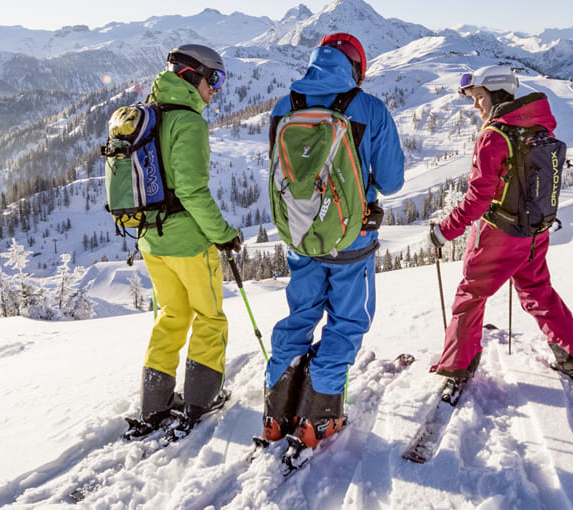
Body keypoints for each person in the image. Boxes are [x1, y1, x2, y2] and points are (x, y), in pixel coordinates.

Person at [262, 33, 405, 449]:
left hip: (301, 236)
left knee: (299, 315)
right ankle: (318, 420)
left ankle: (275, 413)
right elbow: (393, 180)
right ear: (356, 68)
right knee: (347, 322)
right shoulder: (369, 109)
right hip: (350, 238)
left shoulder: (284, 105)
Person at [424, 66, 573, 387]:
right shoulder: (539, 128)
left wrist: (444, 231)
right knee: (538, 292)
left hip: (499, 234)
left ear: (497, 95)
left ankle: (456, 366)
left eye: (479, 97)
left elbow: (478, 199)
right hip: (535, 232)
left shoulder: (494, 136)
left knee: (470, 295)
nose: (476, 105)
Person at [133, 44, 244, 433]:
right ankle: (201, 400)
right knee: (210, 317)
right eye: (213, 78)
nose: (216, 89)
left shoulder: (149, 113)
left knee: (172, 315)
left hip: (150, 240)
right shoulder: (189, 123)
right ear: (189, 76)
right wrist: (224, 235)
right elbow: (193, 192)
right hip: (188, 242)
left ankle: (154, 404)